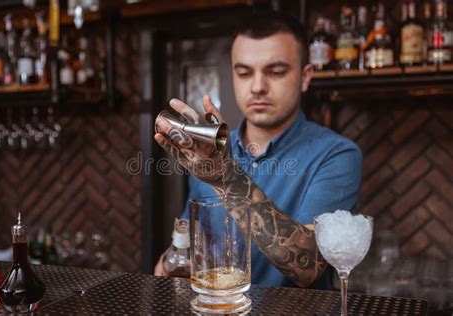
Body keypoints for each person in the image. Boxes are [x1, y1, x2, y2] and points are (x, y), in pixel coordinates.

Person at [153, 11, 362, 289]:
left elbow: (308, 265)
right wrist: (170, 264)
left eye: (276, 72)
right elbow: (186, 247)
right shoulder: (208, 153)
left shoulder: (336, 155)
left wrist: (224, 176)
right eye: (244, 73)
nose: (258, 86)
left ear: (305, 77)